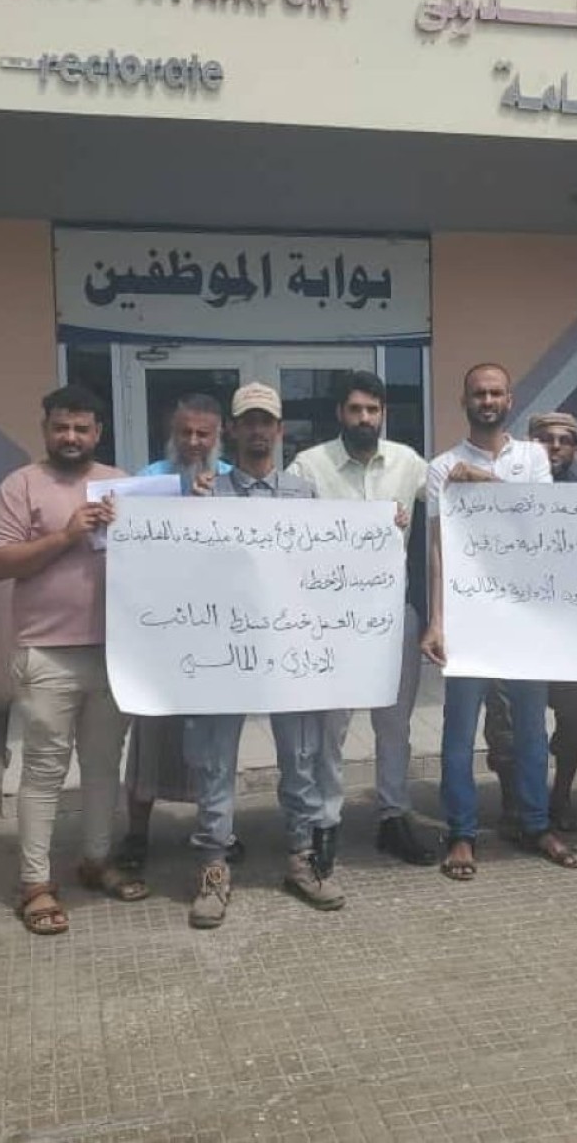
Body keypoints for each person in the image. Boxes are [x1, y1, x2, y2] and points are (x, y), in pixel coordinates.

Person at [185, 383, 344, 927]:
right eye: (247, 421)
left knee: (299, 760)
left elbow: (329, 560)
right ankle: (213, 863)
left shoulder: (304, 495)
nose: (257, 430)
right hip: (224, 650)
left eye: (266, 422)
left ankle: (301, 860)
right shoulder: (208, 493)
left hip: (288, 650)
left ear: (279, 431)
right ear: (232, 429)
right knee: (214, 761)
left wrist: (383, 531)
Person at [0, 385, 148, 935]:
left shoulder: (121, 483)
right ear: (46, 428)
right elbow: (1, 562)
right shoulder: (21, 485)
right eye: (61, 427)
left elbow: (158, 549)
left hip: (114, 655)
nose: (71, 437)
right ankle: (35, 882)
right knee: (43, 772)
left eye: (82, 428)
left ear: (98, 432)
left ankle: (96, 860)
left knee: (105, 767)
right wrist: (66, 535)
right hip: (47, 654)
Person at [421, 363, 577, 880]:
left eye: (495, 393)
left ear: (510, 399)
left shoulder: (534, 457)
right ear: (463, 400)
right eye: (478, 393)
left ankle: (536, 824)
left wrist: (484, 483)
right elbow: (438, 549)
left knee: (533, 731)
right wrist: (436, 621)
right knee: (458, 732)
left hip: (524, 616)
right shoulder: (441, 466)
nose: (487, 400)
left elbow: (537, 521)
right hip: (468, 617)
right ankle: (463, 833)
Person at [287, 370, 435, 866]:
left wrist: (473, 477)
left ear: (383, 414)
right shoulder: (309, 467)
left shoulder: (409, 463)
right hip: (331, 621)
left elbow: (453, 507)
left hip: (394, 616)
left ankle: (394, 815)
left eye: (373, 410)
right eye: (355, 410)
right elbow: (280, 530)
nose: (365, 418)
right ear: (340, 414)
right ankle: (325, 820)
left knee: (394, 725)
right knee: (332, 726)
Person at [119, 392, 240, 873]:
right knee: (151, 737)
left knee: (214, 747)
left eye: (202, 433)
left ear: (218, 435)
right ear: (172, 433)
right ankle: (135, 834)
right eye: (184, 432)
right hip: (159, 638)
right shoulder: (147, 482)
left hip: (217, 636)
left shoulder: (234, 484)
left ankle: (219, 835)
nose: (193, 442)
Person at [481, 411, 577, 832]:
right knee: (505, 724)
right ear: (530, 446)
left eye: (564, 440)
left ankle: (560, 795)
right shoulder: (500, 495)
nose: (555, 447)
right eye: (545, 439)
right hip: (511, 629)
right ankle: (513, 801)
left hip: (568, 635)